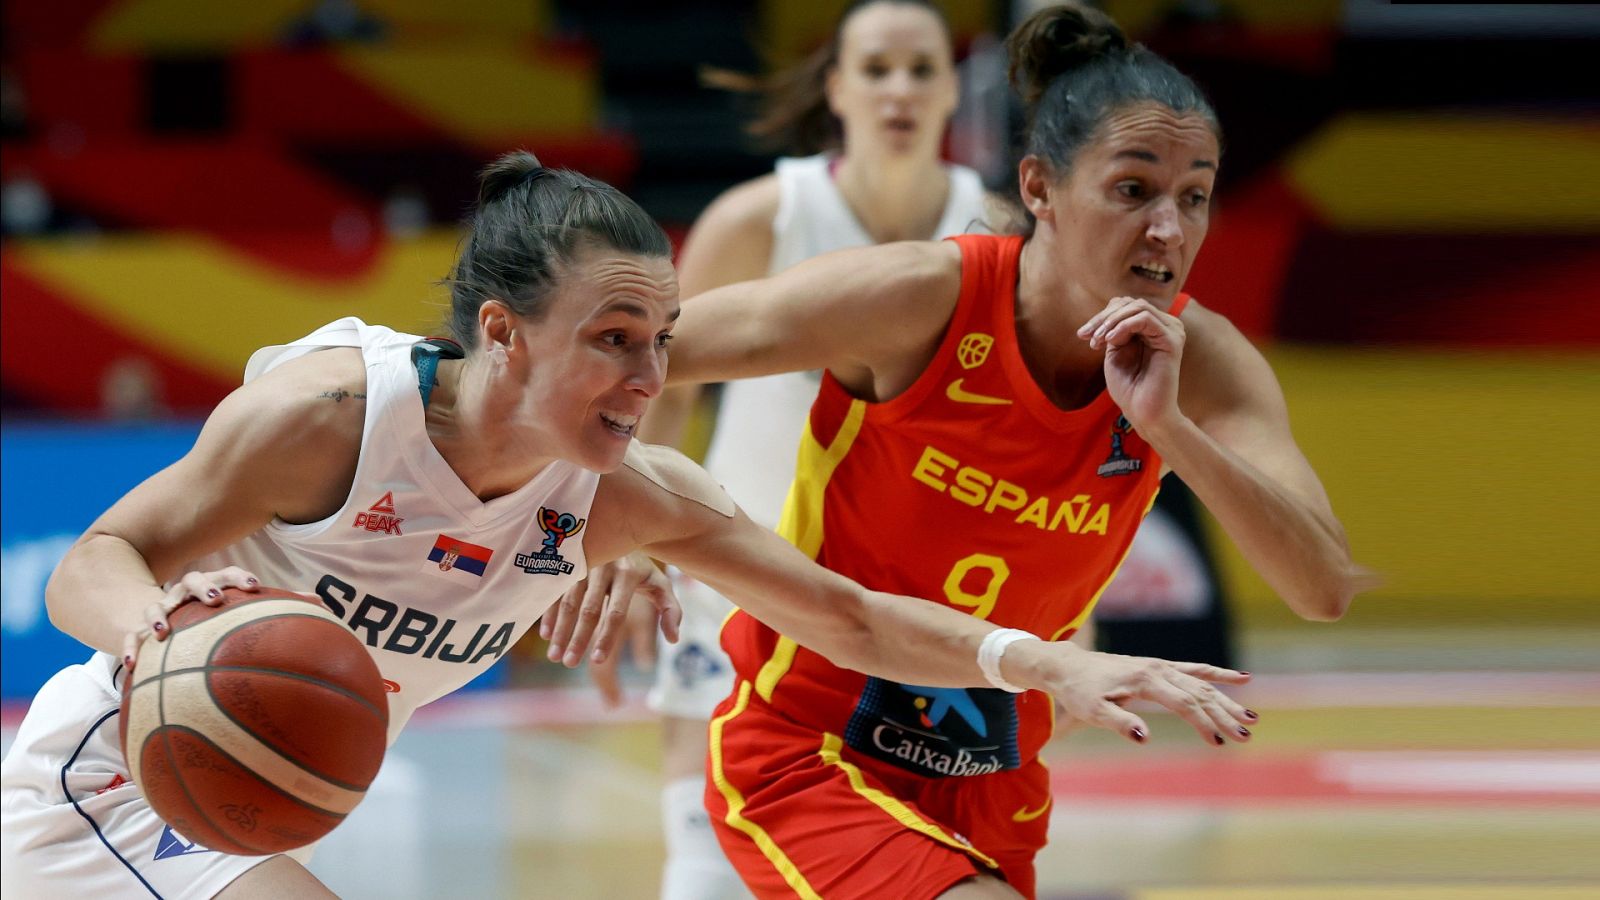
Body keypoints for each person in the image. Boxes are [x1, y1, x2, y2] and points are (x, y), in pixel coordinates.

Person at [0, 151, 1256, 898]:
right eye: (612, 340)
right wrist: (160, 625)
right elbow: (93, 564)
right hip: (112, 769)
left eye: (660, 340)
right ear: (502, 332)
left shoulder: (626, 498)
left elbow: (848, 617)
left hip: (248, 798)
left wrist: (1042, 662)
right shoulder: (334, 416)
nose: (651, 376)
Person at [564, 5, 1366, 898]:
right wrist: (614, 516)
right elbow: (625, 356)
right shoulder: (917, 292)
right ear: (1040, 189)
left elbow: (1322, 587)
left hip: (992, 770)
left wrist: (1172, 430)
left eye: (1195, 196)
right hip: (812, 741)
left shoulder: (1204, 359)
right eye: (1133, 190)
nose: (1168, 230)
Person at [574, 2, 991, 895]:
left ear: (953, 90)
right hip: (742, 570)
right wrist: (627, 540)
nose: (900, 89)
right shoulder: (761, 219)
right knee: (706, 866)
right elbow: (659, 389)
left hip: (906, 605)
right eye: (876, 69)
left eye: (922, 69)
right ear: (836, 88)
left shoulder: (994, 234)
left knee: (893, 865)